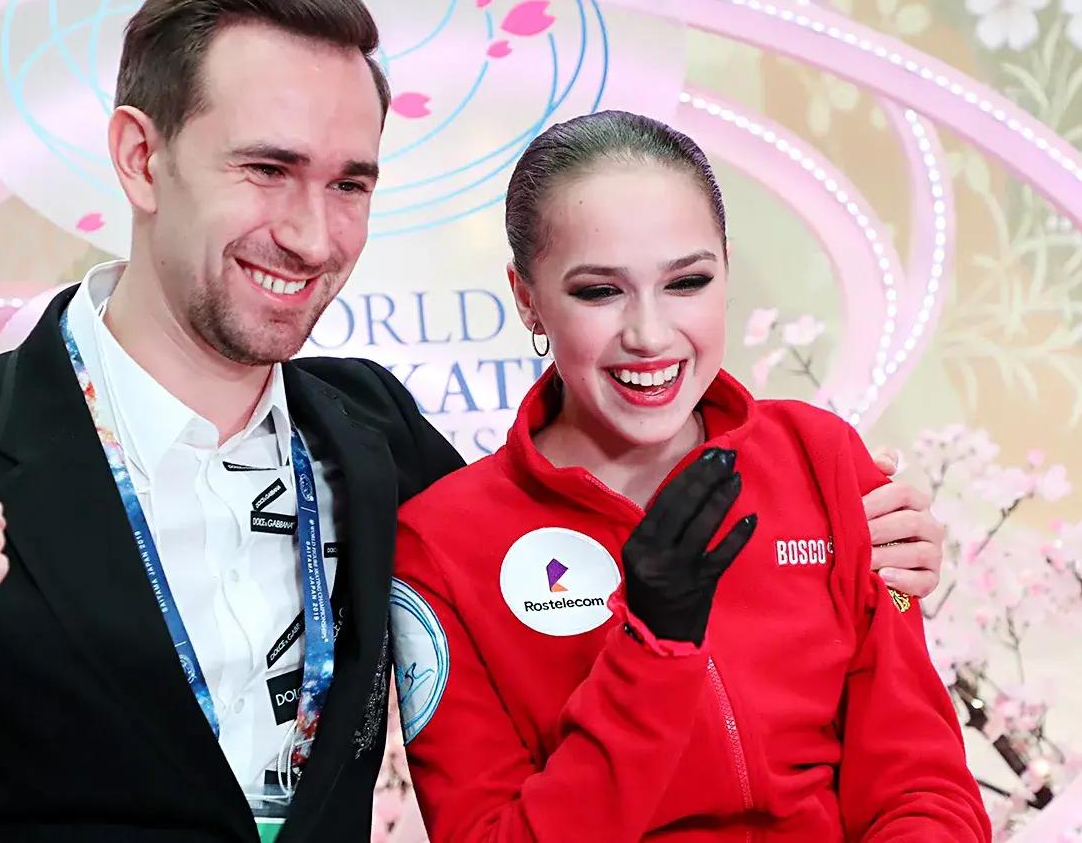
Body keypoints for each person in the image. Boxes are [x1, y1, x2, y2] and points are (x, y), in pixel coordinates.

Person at [0, 0, 947, 843]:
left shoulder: (373, 432)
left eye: (351, 183)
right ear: (140, 157)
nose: (314, 234)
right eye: (267, 169)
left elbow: (554, 538)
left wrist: (853, 536)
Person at [391, 110, 988, 842]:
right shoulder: (440, 544)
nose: (649, 335)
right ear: (527, 298)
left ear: (726, 271)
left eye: (688, 281)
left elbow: (922, 784)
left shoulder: (821, 458)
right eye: (599, 292)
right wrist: (652, 650)